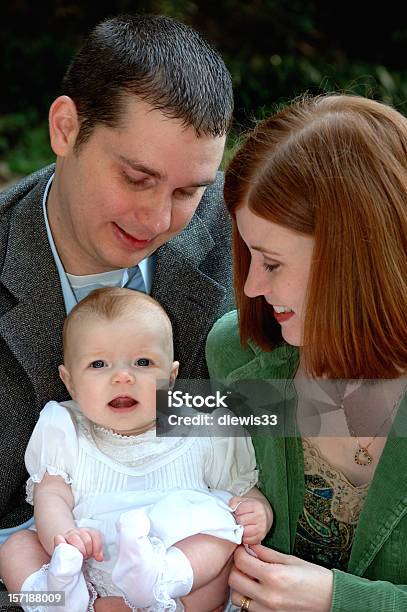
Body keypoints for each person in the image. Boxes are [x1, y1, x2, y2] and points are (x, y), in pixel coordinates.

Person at [0, 12, 235, 596]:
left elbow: (302, 412)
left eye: (188, 191)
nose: (159, 221)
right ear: (65, 128)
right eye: (136, 178)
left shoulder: (248, 235)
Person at [206, 94, 407, 611]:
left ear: (357, 262)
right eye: (248, 253)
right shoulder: (236, 354)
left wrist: (342, 601)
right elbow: (156, 452)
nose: (250, 286)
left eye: (272, 263)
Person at [0, 287, 273, 612]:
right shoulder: (65, 429)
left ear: (171, 377)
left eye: (143, 362)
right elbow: (51, 496)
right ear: (70, 382)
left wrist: (259, 513)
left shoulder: (205, 432)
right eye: (99, 364)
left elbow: (243, 492)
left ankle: (161, 581)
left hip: (177, 578)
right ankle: (53, 598)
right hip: (86, 562)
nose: (122, 378)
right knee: (16, 546)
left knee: (223, 534)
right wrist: (66, 538)